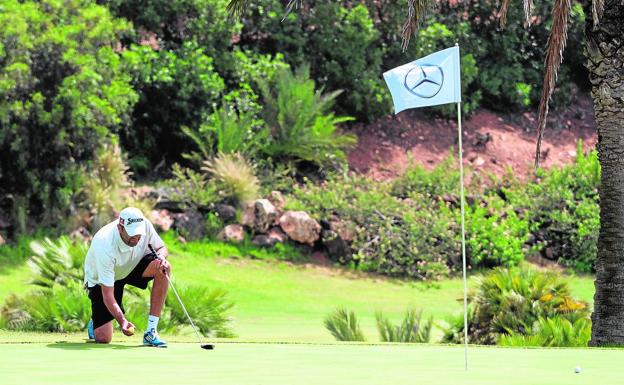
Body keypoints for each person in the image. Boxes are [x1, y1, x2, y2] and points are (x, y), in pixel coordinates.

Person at [83, 207, 171, 347]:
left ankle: (151, 332)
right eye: (132, 234)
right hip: (103, 279)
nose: (136, 238)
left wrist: (161, 257)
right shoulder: (104, 244)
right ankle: (95, 322)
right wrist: (123, 321)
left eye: (138, 234)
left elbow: (162, 248)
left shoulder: (144, 225)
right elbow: (108, 295)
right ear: (120, 228)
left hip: (131, 265)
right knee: (103, 338)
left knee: (164, 268)